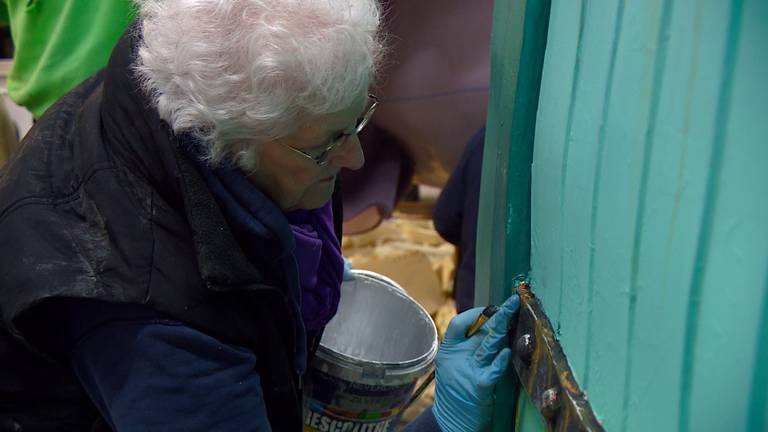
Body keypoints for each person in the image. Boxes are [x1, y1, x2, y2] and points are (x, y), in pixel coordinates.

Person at [0, 1, 518, 431]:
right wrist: (441, 422)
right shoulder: (158, 331)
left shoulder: (166, 84)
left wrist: (289, 268)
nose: (355, 158)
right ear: (228, 142)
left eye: (357, 118)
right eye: (329, 143)